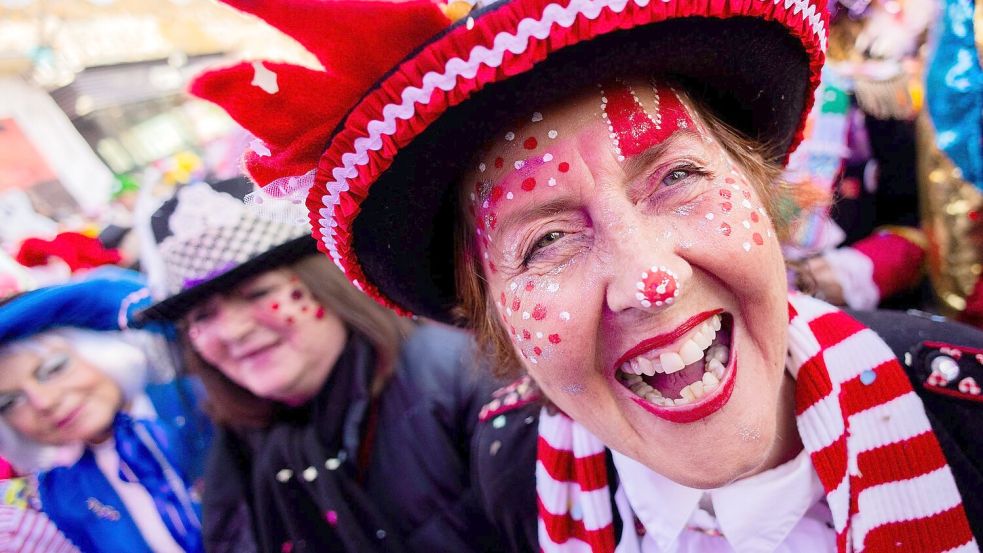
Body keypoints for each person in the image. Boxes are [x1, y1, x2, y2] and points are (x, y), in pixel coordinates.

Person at [191, 0, 983, 551]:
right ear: (491, 311)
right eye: (545, 242)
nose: (648, 279)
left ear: (755, 185)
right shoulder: (511, 464)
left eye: (677, 177)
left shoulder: (965, 411)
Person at [134, 177, 499, 553]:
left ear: (327, 287)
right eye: (202, 316)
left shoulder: (463, 378)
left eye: (258, 293)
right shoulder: (234, 452)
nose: (233, 331)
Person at [0, 269, 208, 552]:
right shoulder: (61, 491)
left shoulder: (204, 406)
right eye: (10, 402)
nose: (44, 402)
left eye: (54, 369)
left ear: (100, 352)